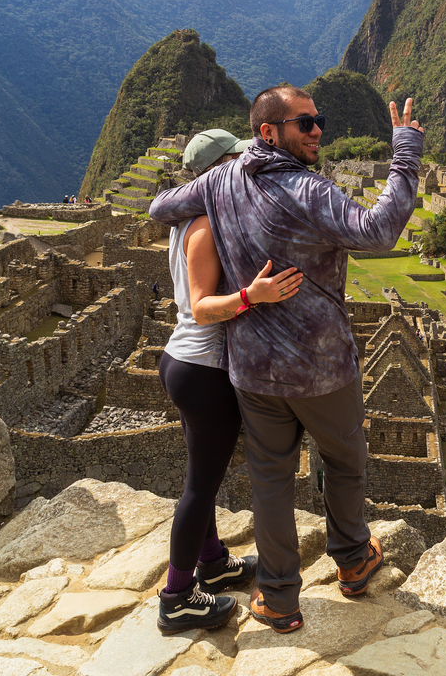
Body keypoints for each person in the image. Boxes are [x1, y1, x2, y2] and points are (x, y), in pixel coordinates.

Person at [150, 88, 423, 634]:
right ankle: (352, 560)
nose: (317, 129)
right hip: (319, 368)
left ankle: (277, 597)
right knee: (344, 462)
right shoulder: (308, 188)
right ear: (269, 131)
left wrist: (225, 213)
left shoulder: (220, 181)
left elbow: (161, 208)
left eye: (319, 120)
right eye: (305, 123)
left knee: (270, 480)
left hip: (252, 371)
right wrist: (405, 153)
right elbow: (378, 229)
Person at [156, 128, 304, 635]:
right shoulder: (201, 224)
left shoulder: (196, 218)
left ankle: (213, 562)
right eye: (240, 160)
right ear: (221, 168)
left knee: (207, 474)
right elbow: (201, 308)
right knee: (200, 485)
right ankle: (177, 597)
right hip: (201, 368)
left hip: (190, 364)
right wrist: (252, 295)